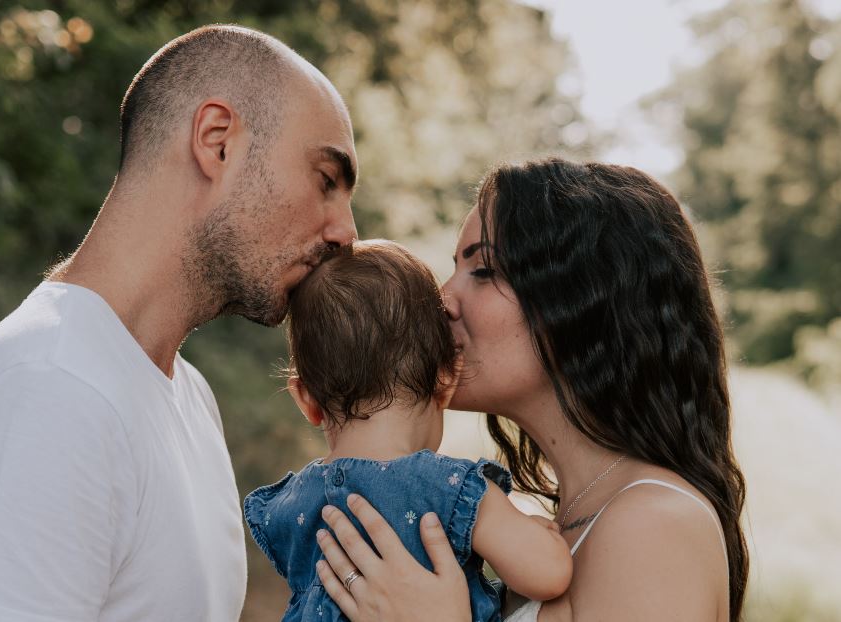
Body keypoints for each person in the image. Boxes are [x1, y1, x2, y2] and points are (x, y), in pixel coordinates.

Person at [0, 24, 357, 622]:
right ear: (218, 141)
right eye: (326, 181)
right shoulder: (49, 387)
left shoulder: (188, 396)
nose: (345, 232)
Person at [312, 158, 749, 621]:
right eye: (455, 268)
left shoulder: (654, 523)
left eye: (482, 270)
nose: (441, 299)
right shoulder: (570, 524)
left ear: (581, 300)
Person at [243, 240, 572, 621]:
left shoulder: (291, 505)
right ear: (446, 377)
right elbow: (549, 574)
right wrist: (536, 531)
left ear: (305, 399)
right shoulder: (447, 487)